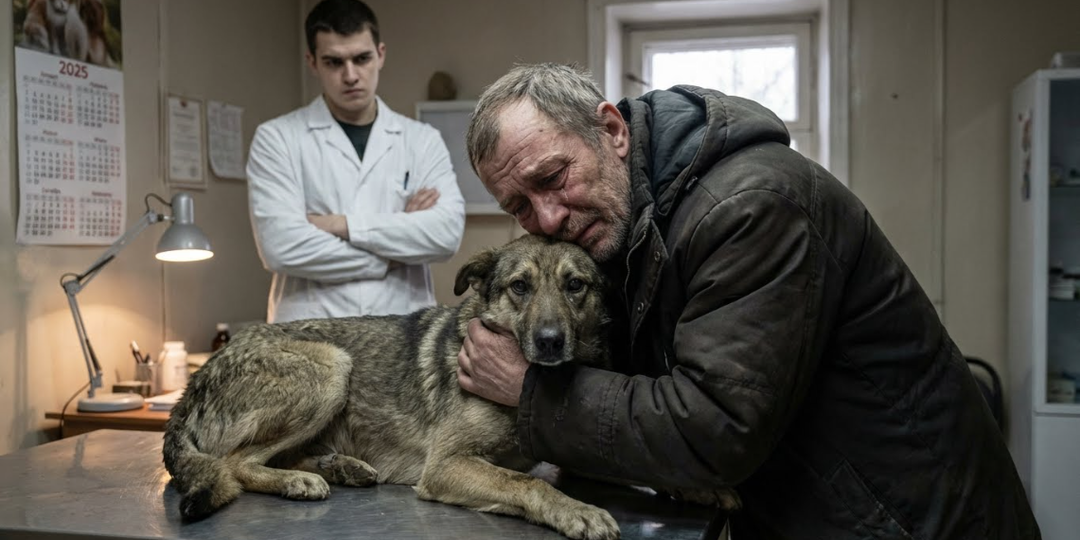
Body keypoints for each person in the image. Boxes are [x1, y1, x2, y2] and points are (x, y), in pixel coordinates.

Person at [457, 63, 1039, 539]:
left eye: (553, 177)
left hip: (910, 522)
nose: (546, 218)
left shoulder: (750, 206)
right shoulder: (624, 227)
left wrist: (529, 392)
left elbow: (715, 429)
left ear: (612, 131)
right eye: (519, 207)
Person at [246, 0, 464, 323]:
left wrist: (340, 225)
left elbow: (445, 235)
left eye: (361, 59)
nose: (350, 76)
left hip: (401, 332)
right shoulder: (277, 139)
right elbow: (282, 247)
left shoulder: (421, 140)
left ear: (381, 54)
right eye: (334, 62)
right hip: (309, 334)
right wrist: (393, 253)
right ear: (312, 62)